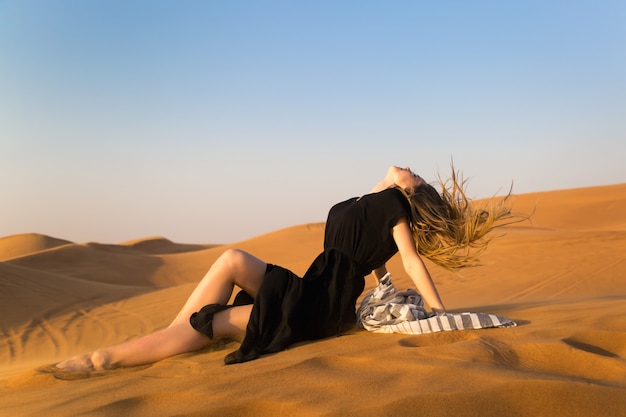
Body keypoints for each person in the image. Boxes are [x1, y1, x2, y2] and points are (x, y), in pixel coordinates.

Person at [55, 164, 516, 371]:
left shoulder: (395, 210)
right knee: (231, 259)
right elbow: (382, 243)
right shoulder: (372, 202)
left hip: (318, 308)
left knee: (211, 322)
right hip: (310, 288)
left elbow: (412, 262)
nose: (412, 169)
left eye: (418, 177)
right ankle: (165, 338)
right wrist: (394, 182)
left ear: (414, 195)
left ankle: (104, 360)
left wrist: (438, 313)